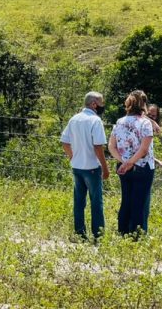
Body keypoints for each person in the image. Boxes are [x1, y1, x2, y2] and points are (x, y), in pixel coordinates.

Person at [60, 91, 110, 240]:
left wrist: (72, 157)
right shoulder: (95, 121)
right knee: (96, 202)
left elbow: (65, 141)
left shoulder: (74, 119)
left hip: (77, 166)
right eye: (101, 103)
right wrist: (105, 167)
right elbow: (98, 147)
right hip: (92, 168)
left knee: (79, 201)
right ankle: (98, 235)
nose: (103, 106)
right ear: (94, 104)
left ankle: (80, 233)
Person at [108, 90, 155, 237]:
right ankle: (136, 234)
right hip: (142, 166)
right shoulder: (145, 123)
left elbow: (111, 146)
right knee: (139, 201)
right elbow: (144, 149)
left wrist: (124, 162)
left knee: (126, 199)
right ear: (143, 104)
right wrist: (132, 162)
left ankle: (123, 230)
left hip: (123, 166)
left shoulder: (120, 121)